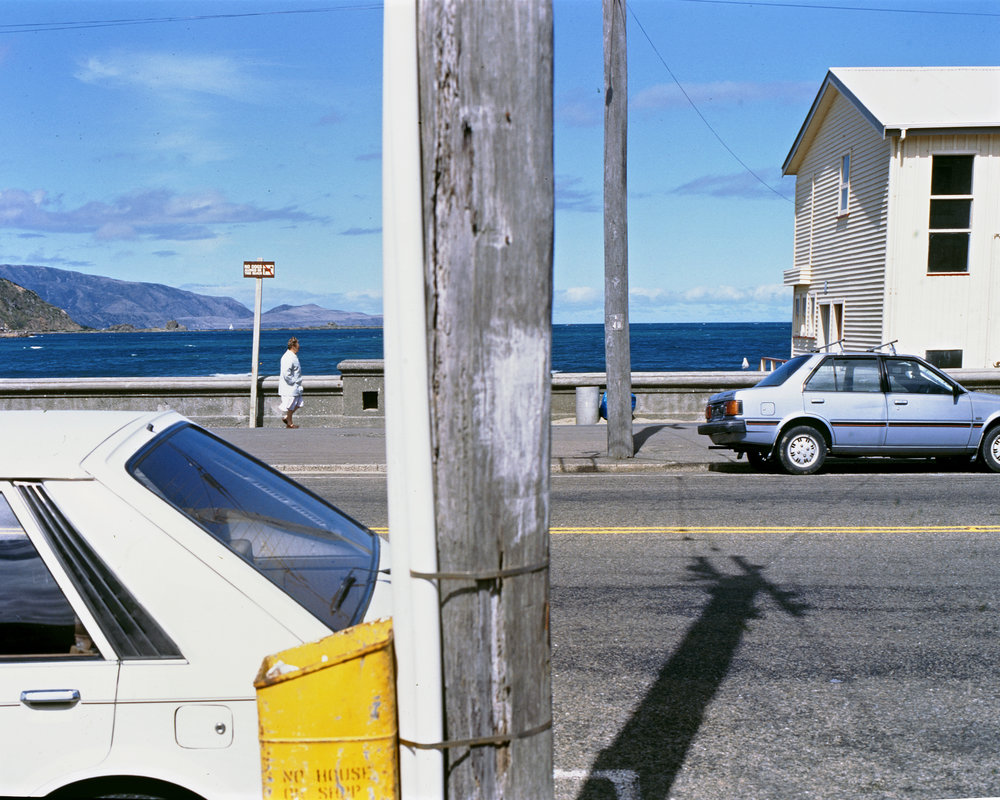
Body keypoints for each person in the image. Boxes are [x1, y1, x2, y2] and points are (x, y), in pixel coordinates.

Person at [278, 337, 303, 428]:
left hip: (295, 386)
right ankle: (290, 423)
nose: (299, 346)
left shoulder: (292, 356)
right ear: (293, 346)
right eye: (298, 344)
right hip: (290, 386)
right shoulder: (288, 357)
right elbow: (286, 373)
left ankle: (287, 418)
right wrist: (293, 381)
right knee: (291, 405)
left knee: (298, 403)